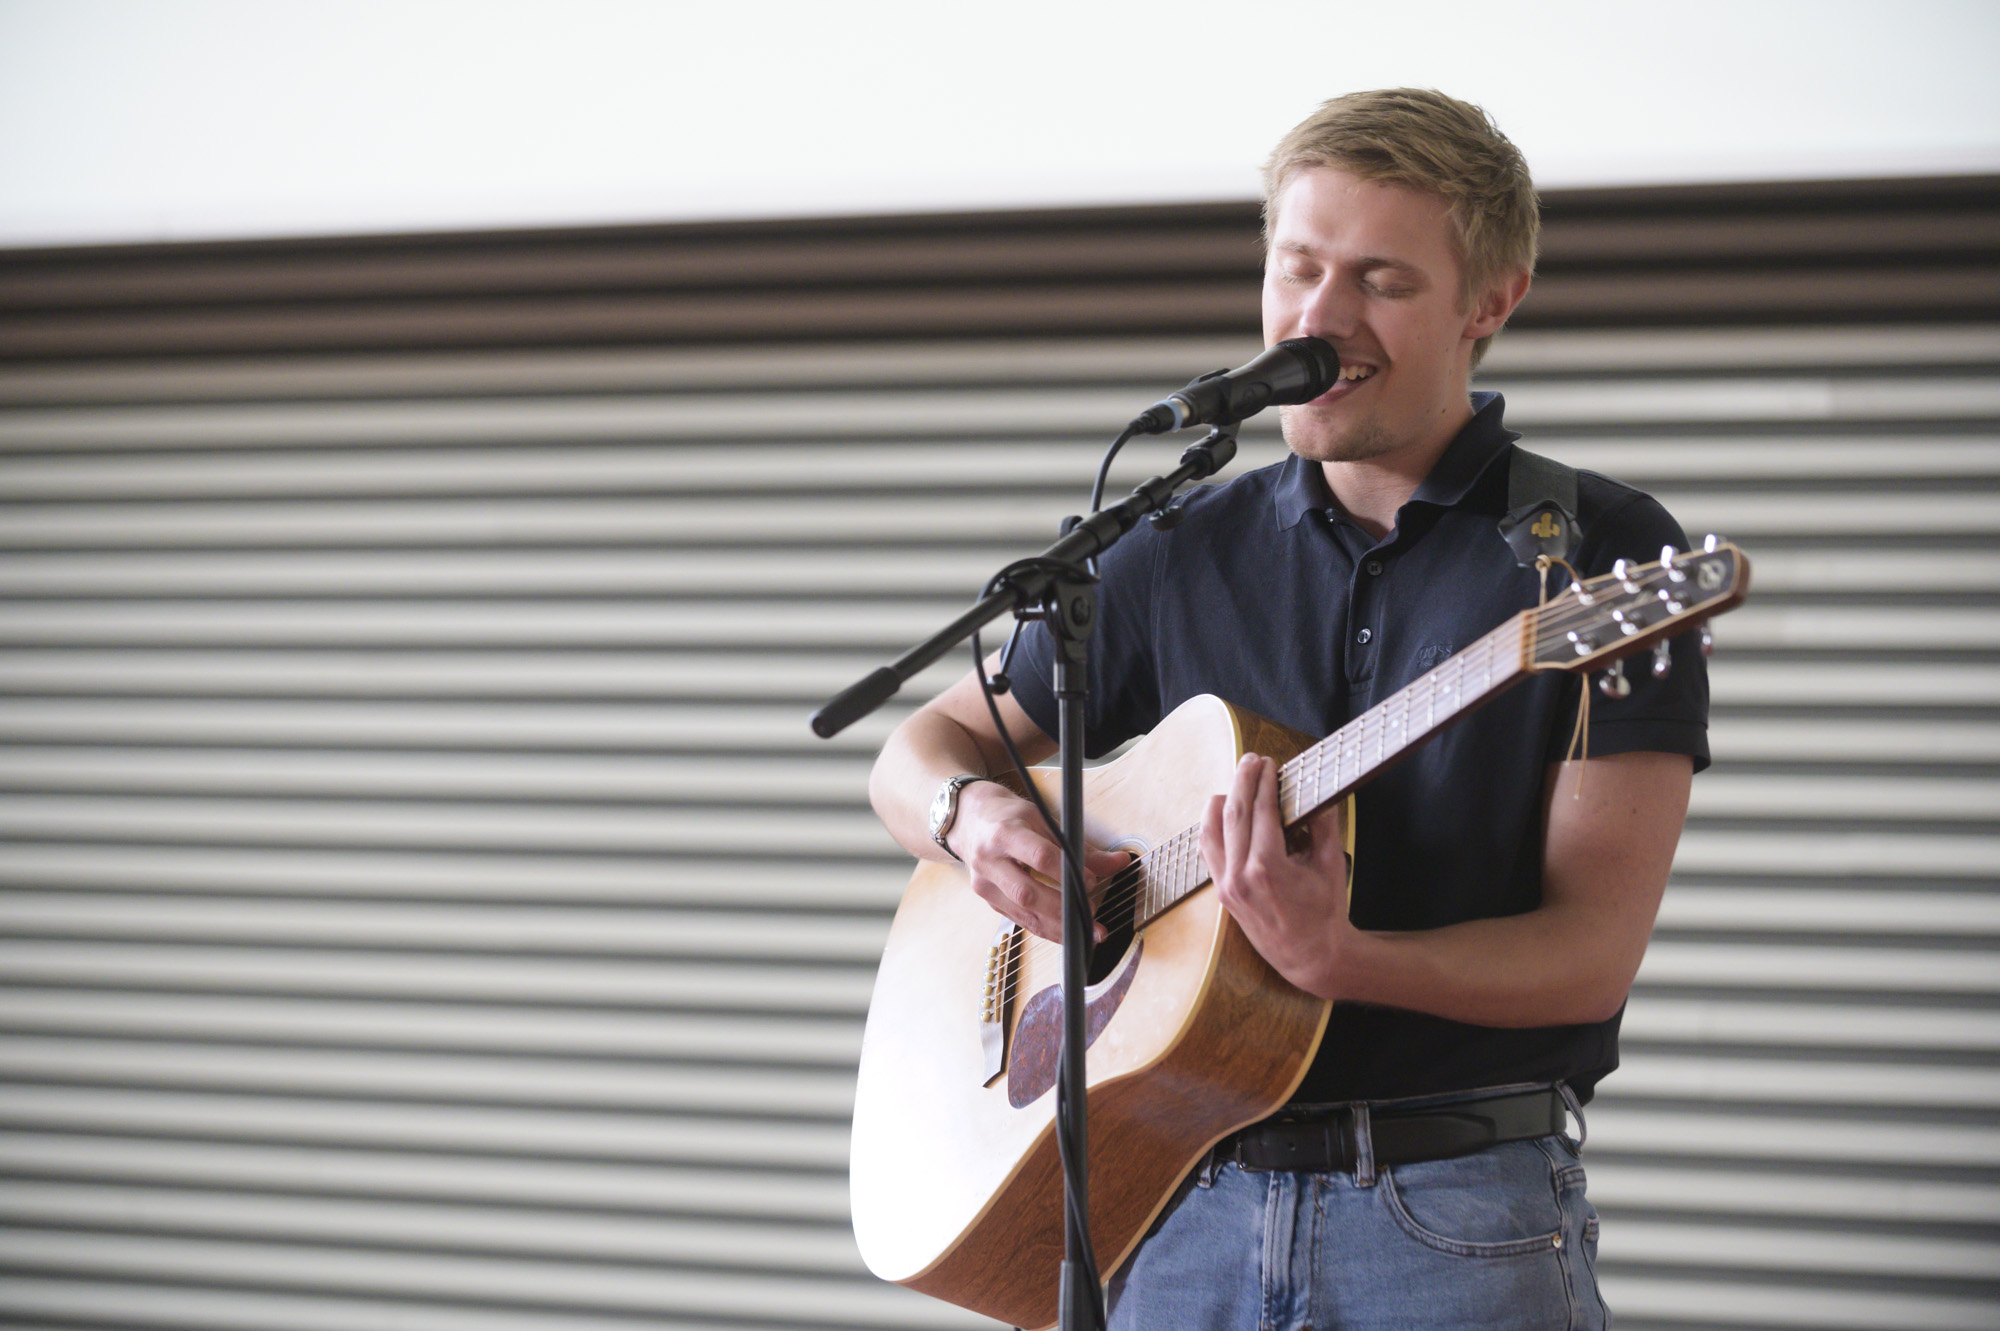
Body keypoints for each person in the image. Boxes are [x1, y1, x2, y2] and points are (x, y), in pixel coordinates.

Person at [868, 88, 1707, 1330]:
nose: (1319, 317)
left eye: (1379, 279)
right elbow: (914, 748)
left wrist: (1347, 960)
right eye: (1298, 266)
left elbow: (1590, 955)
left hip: (1451, 1220)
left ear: (1491, 301)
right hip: (1175, 1199)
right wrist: (978, 824)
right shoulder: (1167, 543)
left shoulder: (1594, 556)